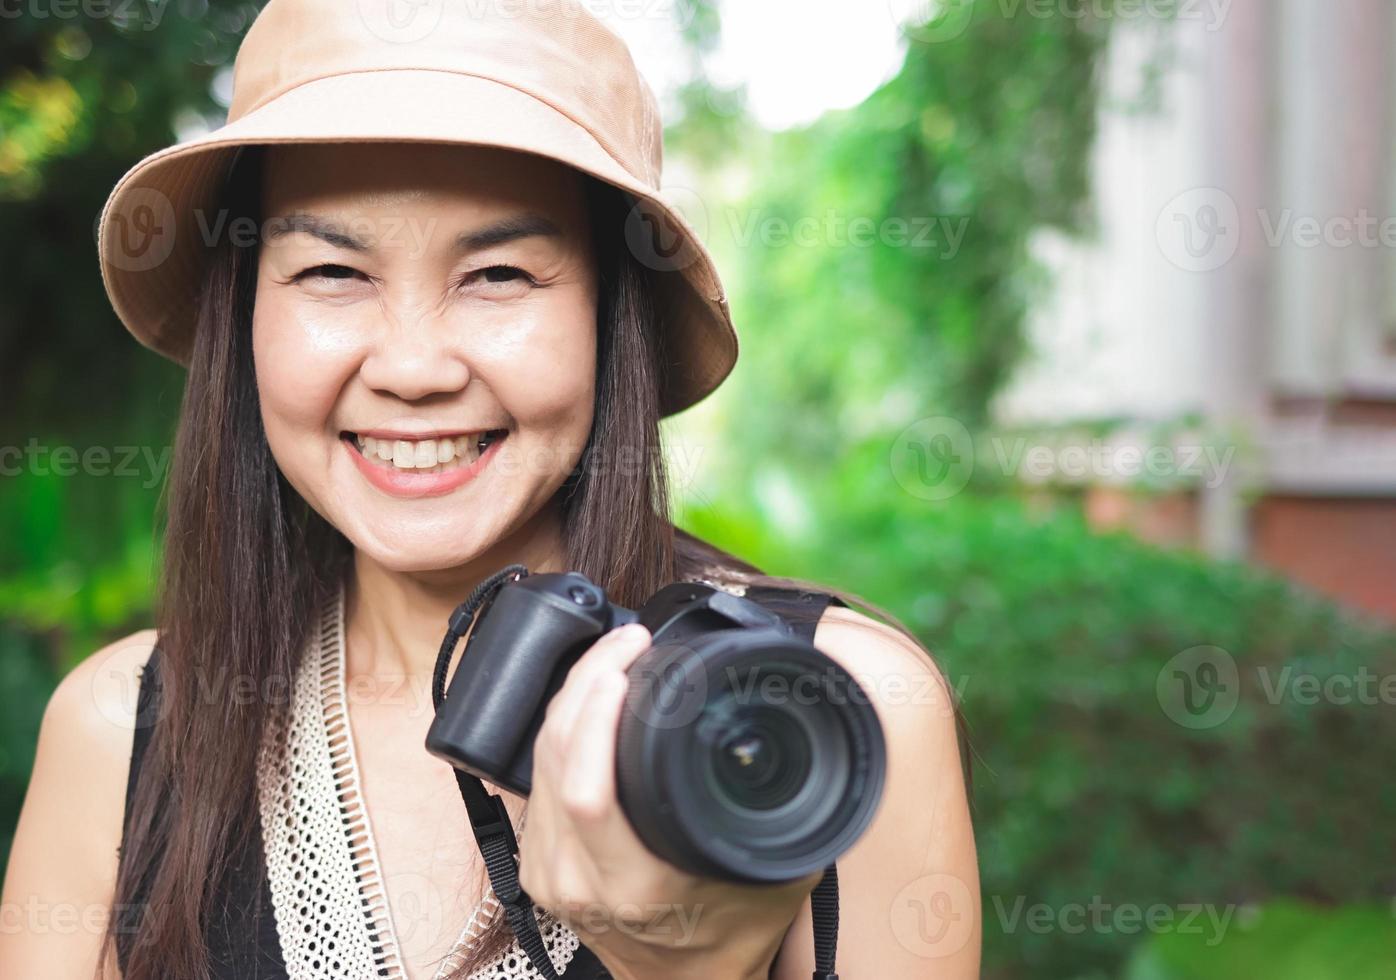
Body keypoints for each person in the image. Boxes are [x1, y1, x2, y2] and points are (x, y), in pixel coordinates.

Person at [0, 1, 979, 978]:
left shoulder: (828, 717)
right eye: (333, 270)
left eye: (500, 272)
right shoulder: (122, 729)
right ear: (245, 315)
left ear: (610, 315)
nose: (415, 366)